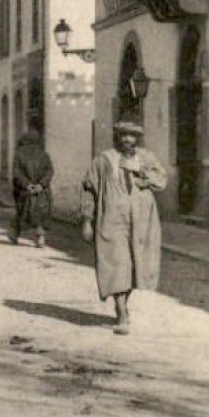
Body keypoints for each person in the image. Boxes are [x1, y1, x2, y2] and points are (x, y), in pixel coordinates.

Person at [80, 121, 167, 334]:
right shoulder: (104, 160)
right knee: (116, 263)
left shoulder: (146, 158)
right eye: (124, 135)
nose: (128, 139)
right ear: (116, 136)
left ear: (137, 138)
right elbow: (89, 189)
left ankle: (123, 305)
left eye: (132, 135)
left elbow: (161, 181)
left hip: (142, 220)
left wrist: (143, 176)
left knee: (136, 265)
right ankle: (121, 312)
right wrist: (86, 220)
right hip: (111, 219)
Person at [11, 129, 55, 247]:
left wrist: (27, 185)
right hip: (41, 191)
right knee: (40, 213)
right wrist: (41, 184)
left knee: (22, 212)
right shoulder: (44, 154)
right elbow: (49, 171)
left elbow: (17, 172)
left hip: (24, 190)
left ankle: (15, 234)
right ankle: (40, 237)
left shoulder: (19, 154)